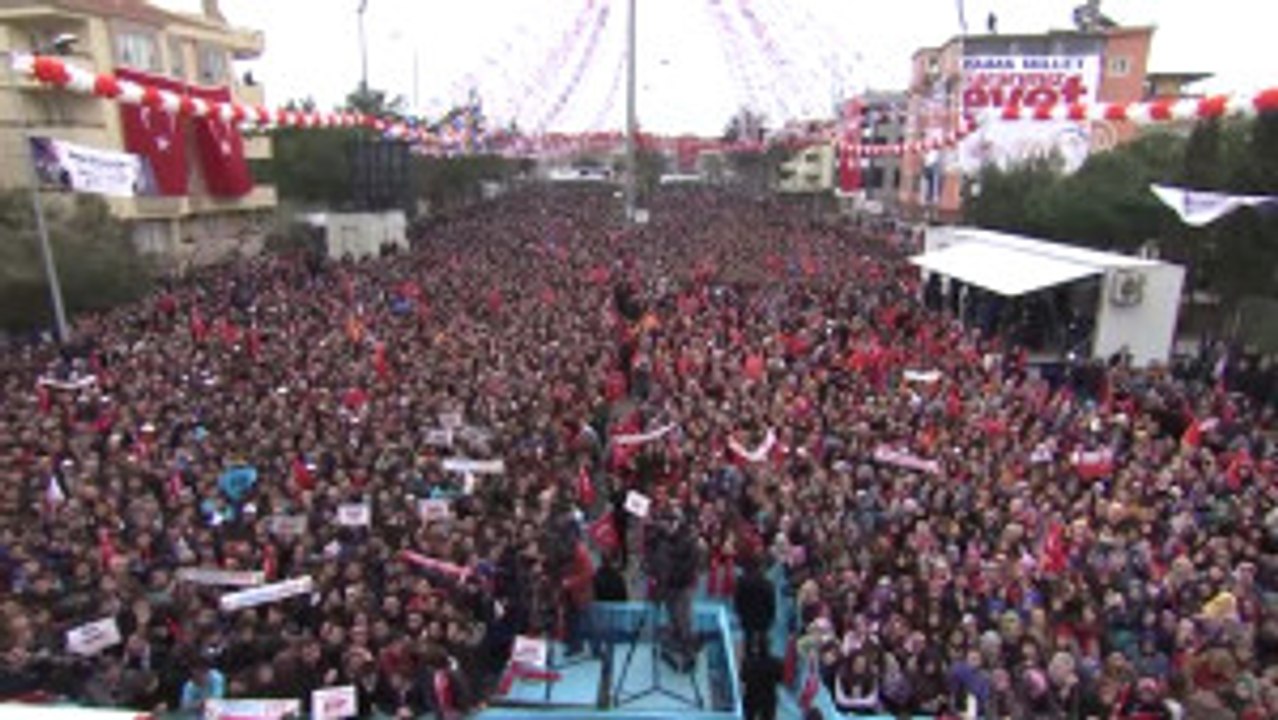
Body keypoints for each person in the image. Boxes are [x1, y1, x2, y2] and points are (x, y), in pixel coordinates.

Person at [734, 556, 776, 658]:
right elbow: (771, 603)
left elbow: (737, 600)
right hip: (763, 617)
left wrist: (740, 613)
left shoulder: (741, 582)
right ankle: (764, 661)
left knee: (748, 638)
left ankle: (748, 661)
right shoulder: (767, 583)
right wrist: (771, 617)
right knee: (763, 638)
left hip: (747, 616)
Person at [741, 645, 781, 720]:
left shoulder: (748, 662)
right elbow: (779, 679)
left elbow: (743, 678)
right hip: (768, 697)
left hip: (752, 696)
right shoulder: (776, 662)